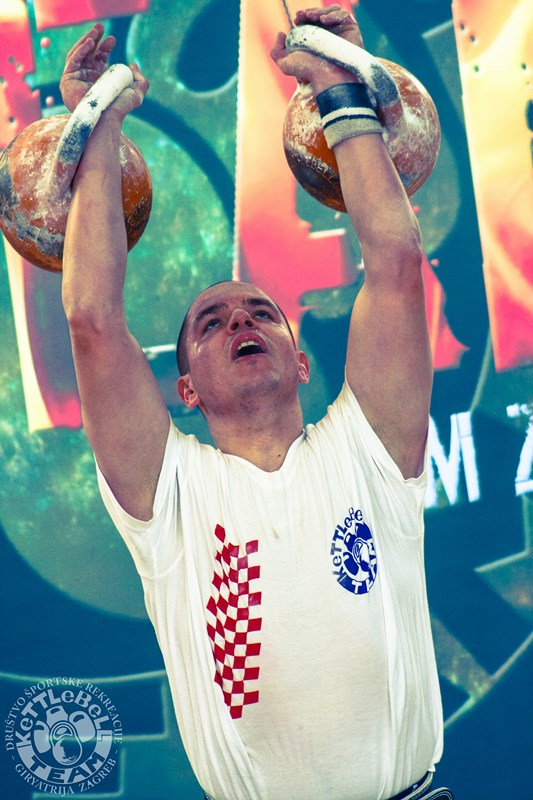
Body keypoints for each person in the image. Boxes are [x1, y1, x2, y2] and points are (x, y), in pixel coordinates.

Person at [60, 5, 453, 800]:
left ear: (301, 362)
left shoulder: (369, 450)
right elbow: (93, 322)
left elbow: (394, 261)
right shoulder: (169, 498)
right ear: (186, 390)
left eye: (260, 313)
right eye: (210, 323)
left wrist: (339, 86)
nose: (240, 321)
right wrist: (96, 129)